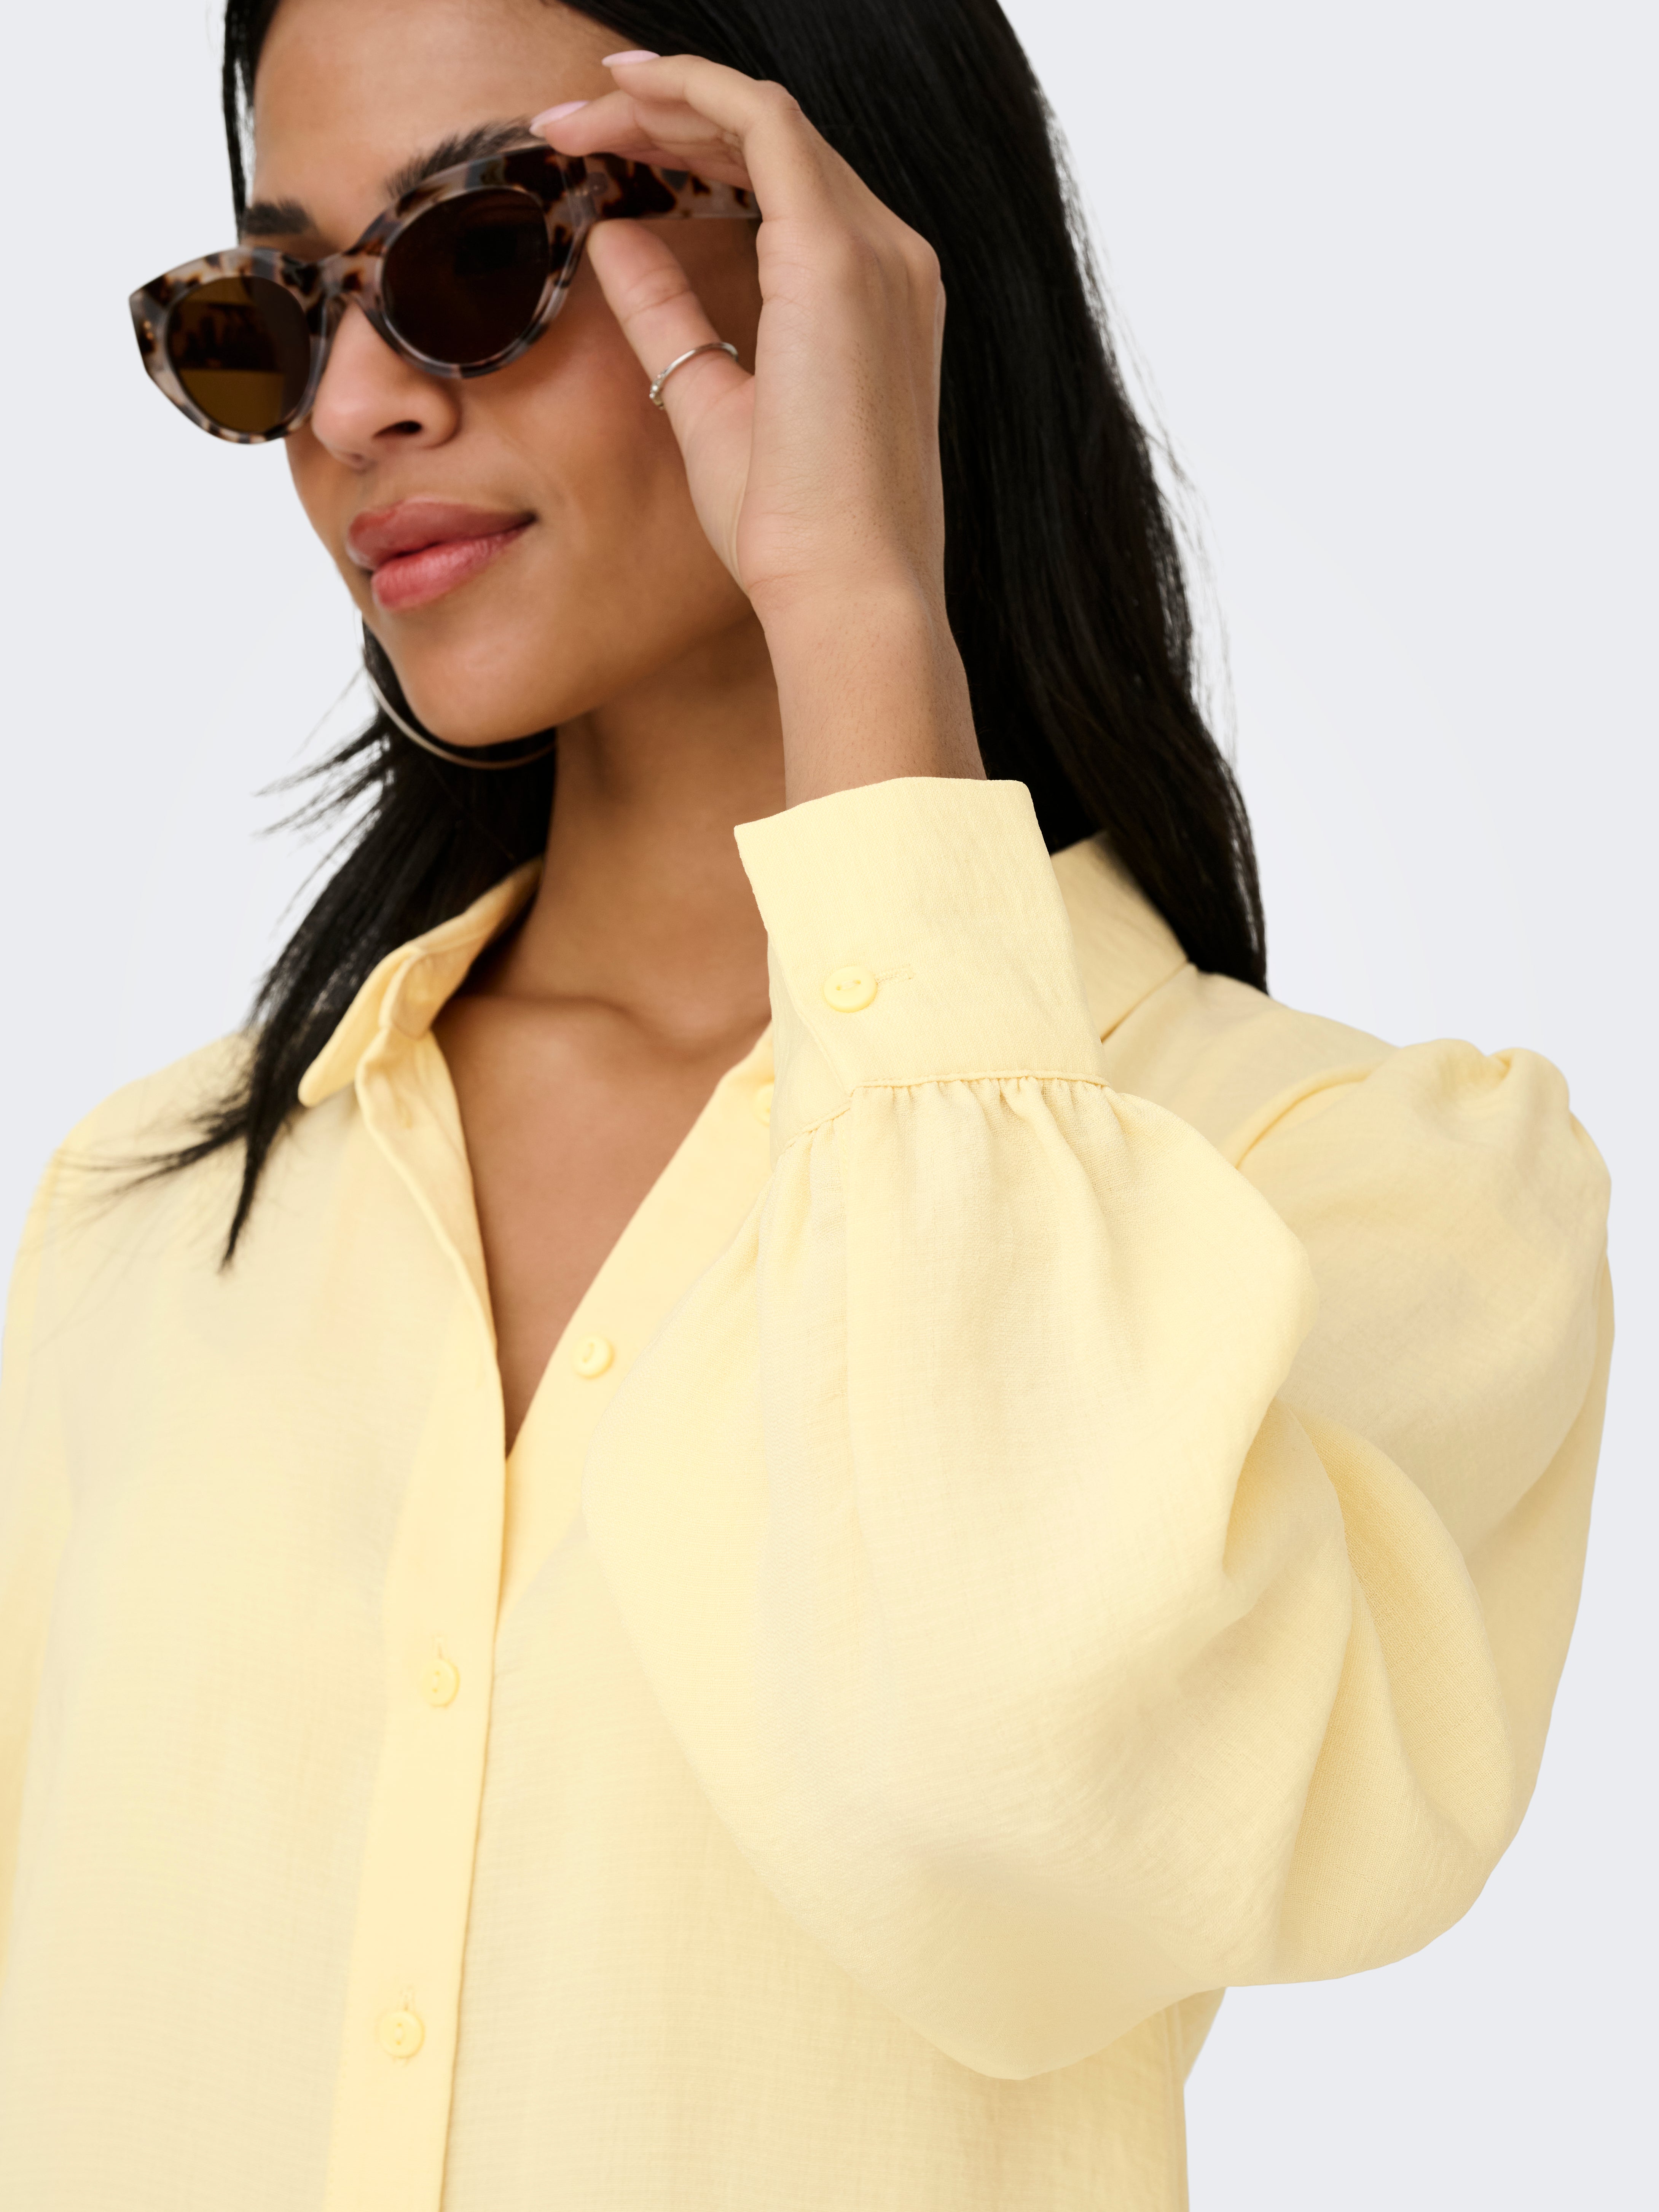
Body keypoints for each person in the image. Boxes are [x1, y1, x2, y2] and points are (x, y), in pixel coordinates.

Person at [0, 0, 1612, 2205]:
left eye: (479, 251)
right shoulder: (153, 1211)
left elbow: (1014, 1787)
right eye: (273, 313)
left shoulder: (1353, 1189)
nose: (357, 405)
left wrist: (856, 609)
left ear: (846, 253)